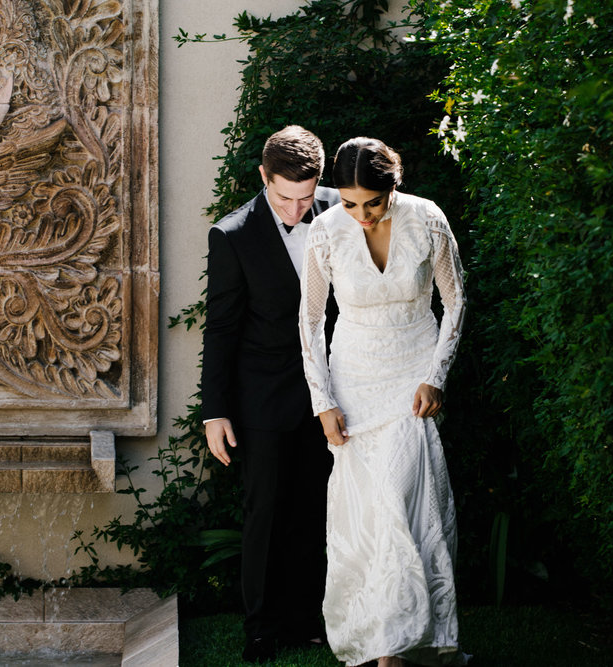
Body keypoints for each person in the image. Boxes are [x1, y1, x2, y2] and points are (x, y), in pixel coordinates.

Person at [299, 137, 468, 667]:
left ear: (394, 187)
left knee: (403, 498)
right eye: (350, 203)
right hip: (354, 377)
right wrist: (322, 401)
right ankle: (381, 637)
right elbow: (309, 319)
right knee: (368, 511)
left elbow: (456, 296)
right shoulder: (326, 230)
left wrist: (437, 375)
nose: (362, 215)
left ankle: (397, 650)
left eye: (373, 202)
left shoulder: (427, 220)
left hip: (411, 375)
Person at [201, 125, 340, 663]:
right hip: (263, 396)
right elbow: (221, 327)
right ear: (264, 177)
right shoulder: (233, 234)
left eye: (305, 197)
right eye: (284, 196)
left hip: (333, 390)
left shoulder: (339, 210)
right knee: (265, 513)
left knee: (316, 509)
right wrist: (215, 411)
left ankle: (309, 620)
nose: (295, 208)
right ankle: (260, 627)